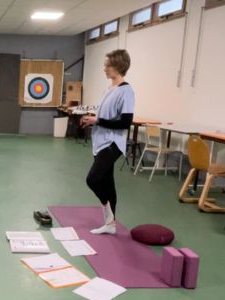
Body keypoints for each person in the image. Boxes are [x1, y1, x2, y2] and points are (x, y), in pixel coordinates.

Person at [81, 49, 135, 235]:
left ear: (118, 66)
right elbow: (103, 116)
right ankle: (110, 225)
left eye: (107, 65)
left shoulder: (126, 91)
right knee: (108, 182)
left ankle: (109, 216)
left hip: (113, 143)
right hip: (101, 141)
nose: (104, 68)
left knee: (93, 179)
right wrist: (91, 119)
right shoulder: (109, 89)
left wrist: (98, 121)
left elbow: (126, 122)